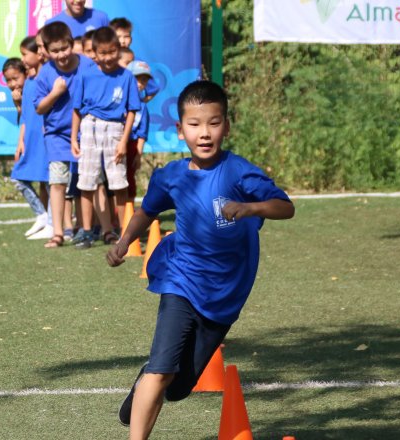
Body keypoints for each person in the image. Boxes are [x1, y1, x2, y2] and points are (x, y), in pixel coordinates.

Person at [106, 80, 295, 440]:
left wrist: (252, 207)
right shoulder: (171, 176)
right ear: (181, 130)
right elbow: (147, 211)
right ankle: (148, 390)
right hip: (180, 280)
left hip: (225, 295)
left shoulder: (238, 172)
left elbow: (285, 207)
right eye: (194, 124)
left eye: (213, 122)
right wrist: (124, 241)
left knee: (178, 386)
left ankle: (147, 379)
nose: (204, 133)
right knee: (162, 370)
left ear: (226, 126)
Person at [71, 26, 140, 249]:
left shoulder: (126, 76)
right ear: (94, 52)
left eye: (112, 52)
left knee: (119, 182)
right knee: (87, 181)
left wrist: (124, 141)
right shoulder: (86, 74)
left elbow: (131, 110)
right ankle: (87, 232)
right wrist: (74, 138)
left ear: (118, 49)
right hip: (89, 127)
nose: (108, 57)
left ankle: (125, 232)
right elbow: (76, 109)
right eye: (102, 53)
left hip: (115, 130)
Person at [34, 21, 97, 248]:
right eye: (55, 51)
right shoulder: (45, 73)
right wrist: (55, 93)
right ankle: (58, 232)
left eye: (65, 48)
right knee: (57, 182)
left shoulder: (88, 66)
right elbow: (39, 108)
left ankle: (87, 228)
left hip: (86, 134)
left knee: (86, 182)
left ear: (72, 44)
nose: (61, 54)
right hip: (57, 136)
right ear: (46, 51)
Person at [2, 57, 51, 239]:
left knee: (49, 181)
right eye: (8, 80)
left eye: (16, 78)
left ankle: (54, 222)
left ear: (25, 73)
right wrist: (20, 142)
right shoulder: (22, 92)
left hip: (43, 139)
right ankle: (42, 214)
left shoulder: (35, 84)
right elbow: (24, 118)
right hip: (29, 140)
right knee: (18, 177)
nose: (12, 84)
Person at [126, 60, 152, 204]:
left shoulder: (142, 107)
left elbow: (142, 132)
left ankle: (127, 210)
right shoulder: (118, 101)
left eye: (144, 80)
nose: (140, 84)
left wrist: (138, 154)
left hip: (132, 145)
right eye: (136, 79)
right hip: (113, 142)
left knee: (129, 177)